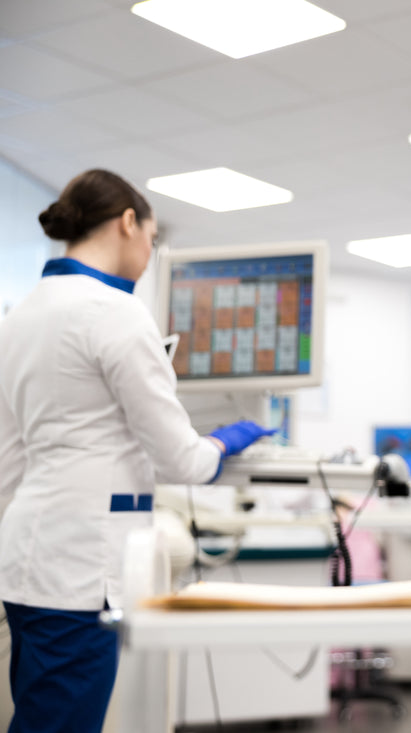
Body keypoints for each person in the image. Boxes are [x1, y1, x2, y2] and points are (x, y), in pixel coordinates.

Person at [0, 169, 274, 733]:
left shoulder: (19, 316)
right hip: (82, 569)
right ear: (128, 223)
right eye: (152, 237)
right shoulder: (117, 314)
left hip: (24, 561)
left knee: (36, 715)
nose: (150, 253)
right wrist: (230, 438)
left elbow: (10, 455)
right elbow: (184, 461)